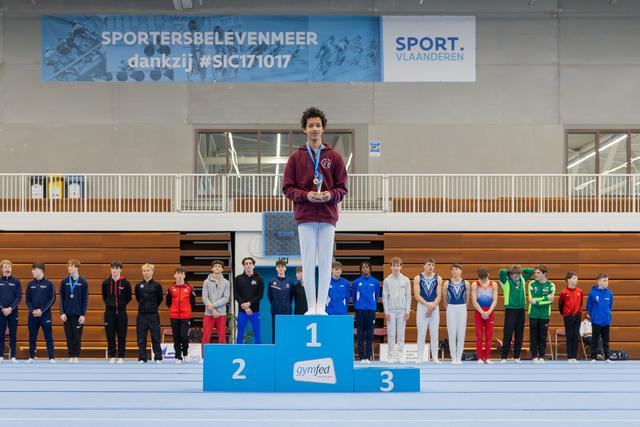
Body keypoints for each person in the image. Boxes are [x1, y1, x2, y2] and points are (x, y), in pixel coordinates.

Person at [282, 107, 348, 315]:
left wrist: (330, 195)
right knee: (309, 261)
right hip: (305, 216)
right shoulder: (295, 158)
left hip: (328, 215)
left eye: (318, 125)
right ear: (304, 129)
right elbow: (287, 188)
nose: (314, 129)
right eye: (310, 125)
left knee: (326, 261)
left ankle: (322, 305)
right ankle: (312, 306)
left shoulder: (334, 157)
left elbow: (343, 188)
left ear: (323, 128)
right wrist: (306, 195)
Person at [499, 265, 535, 363]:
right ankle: (504, 357)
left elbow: (531, 271)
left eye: (518, 274)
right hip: (510, 310)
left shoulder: (522, 279)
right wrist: (511, 271)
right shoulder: (506, 281)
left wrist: (520, 271)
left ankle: (516, 356)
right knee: (508, 334)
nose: (516, 276)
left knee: (519, 334)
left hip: (521, 310)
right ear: (510, 274)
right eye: (514, 274)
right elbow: (501, 271)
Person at [381, 257, 411, 364]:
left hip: (402, 310)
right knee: (391, 333)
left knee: (401, 334)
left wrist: (407, 311)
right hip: (391, 311)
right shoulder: (387, 280)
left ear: (401, 267)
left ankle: (400, 355)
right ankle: (390, 355)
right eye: (394, 266)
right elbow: (384, 297)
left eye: (397, 266)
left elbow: (408, 296)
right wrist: (386, 312)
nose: (396, 268)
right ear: (390, 267)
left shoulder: (406, 280)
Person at [102, 261, 132, 364]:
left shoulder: (126, 283)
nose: (114, 270)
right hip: (109, 313)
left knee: (122, 335)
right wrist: (111, 304)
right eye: (112, 268)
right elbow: (104, 297)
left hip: (122, 313)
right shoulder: (106, 282)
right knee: (110, 335)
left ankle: (121, 356)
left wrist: (121, 304)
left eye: (116, 268)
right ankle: (112, 356)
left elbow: (129, 297)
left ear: (120, 270)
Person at [414, 258, 442, 364]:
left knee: (434, 333)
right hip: (422, 306)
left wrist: (432, 305)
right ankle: (419, 357)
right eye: (429, 265)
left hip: (434, 306)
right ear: (424, 266)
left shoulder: (438, 278)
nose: (431, 267)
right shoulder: (418, 278)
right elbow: (416, 295)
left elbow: (439, 295)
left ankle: (435, 357)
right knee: (421, 333)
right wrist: (427, 305)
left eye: (433, 265)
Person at [26, 262, 56, 363]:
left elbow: (52, 299)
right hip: (32, 315)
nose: (32, 271)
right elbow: (27, 300)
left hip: (45, 315)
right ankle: (31, 357)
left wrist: (41, 310)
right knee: (32, 336)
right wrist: (32, 310)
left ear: (41, 270)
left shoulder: (49, 284)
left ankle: (51, 357)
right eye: (32, 269)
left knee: (48, 336)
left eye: (34, 269)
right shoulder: (30, 284)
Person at [59, 259, 89, 363]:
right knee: (69, 336)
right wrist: (62, 313)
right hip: (67, 314)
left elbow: (85, 300)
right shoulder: (64, 282)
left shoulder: (83, 282)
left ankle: (76, 355)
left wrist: (83, 314)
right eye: (68, 266)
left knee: (77, 336)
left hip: (78, 315)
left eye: (71, 266)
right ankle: (71, 355)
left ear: (77, 267)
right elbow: (61, 298)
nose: (69, 268)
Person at [135, 263, 164, 364]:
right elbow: (138, 298)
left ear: (152, 272)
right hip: (142, 315)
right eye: (144, 271)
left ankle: (158, 357)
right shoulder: (138, 285)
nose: (146, 273)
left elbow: (160, 298)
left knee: (156, 337)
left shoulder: (157, 285)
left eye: (148, 271)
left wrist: (153, 307)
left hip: (153, 315)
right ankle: (142, 358)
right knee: (141, 338)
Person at [166, 266, 196, 364]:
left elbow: (193, 302)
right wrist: (173, 309)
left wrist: (186, 310)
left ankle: (186, 354)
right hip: (174, 316)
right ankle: (178, 356)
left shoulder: (189, 288)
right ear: (174, 275)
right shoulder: (170, 288)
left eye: (181, 274)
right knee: (176, 337)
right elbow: (168, 303)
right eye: (178, 274)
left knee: (184, 336)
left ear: (184, 275)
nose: (179, 276)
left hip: (185, 316)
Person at [352, 262, 380, 363]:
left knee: (369, 334)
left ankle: (368, 356)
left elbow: (376, 296)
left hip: (371, 310)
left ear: (370, 269)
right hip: (360, 310)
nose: (365, 269)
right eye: (363, 267)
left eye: (367, 267)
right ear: (361, 270)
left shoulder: (376, 282)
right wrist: (358, 306)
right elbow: (354, 297)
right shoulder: (356, 282)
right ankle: (361, 356)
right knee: (360, 334)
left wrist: (371, 305)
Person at [527, 265, 556, 363]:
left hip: (544, 314)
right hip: (533, 314)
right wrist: (545, 298)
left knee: (542, 336)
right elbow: (530, 299)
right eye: (535, 273)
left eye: (538, 273)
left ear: (544, 274)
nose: (536, 274)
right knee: (533, 336)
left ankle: (542, 356)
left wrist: (537, 301)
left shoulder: (551, 285)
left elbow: (550, 301)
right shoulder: (531, 284)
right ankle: (534, 356)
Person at [471, 268, 498, 364]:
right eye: (481, 278)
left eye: (485, 278)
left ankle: (487, 358)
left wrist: (489, 312)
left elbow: (495, 300)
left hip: (490, 312)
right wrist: (482, 312)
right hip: (479, 311)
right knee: (479, 336)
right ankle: (479, 358)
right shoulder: (475, 284)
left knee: (488, 336)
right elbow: (474, 301)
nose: (483, 280)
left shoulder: (494, 284)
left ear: (488, 275)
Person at [202, 260, 230, 352]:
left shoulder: (226, 282)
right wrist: (212, 310)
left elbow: (226, 298)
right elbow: (204, 297)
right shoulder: (206, 282)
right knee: (206, 336)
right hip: (209, 313)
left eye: (219, 266)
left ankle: (223, 355)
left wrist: (213, 305)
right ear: (212, 269)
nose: (217, 267)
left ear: (222, 269)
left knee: (222, 336)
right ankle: (204, 357)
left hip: (221, 313)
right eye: (215, 266)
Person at [234, 257, 264, 344]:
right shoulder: (238, 279)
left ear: (253, 265)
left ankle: (259, 352)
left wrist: (249, 304)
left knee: (257, 333)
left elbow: (260, 296)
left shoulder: (259, 279)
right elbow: (236, 295)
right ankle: (238, 352)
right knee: (240, 333)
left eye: (250, 263)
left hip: (255, 312)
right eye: (246, 264)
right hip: (242, 312)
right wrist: (245, 306)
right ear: (243, 266)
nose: (248, 265)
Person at [444, 264, 469, 365]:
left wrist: (463, 308)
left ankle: (459, 357)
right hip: (451, 307)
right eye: (453, 269)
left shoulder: (466, 283)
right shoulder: (446, 284)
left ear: (461, 271)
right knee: (452, 333)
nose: (454, 271)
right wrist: (449, 308)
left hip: (462, 307)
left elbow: (467, 299)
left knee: (461, 333)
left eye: (456, 269)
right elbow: (445, 300)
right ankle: (453, 357)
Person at [586, 273, 614, 363]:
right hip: (596, 321)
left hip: (606, 321)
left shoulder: (610, 294)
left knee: (606, 340)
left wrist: (607, 316)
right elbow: (588, 306)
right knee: (595, 339)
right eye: (604, 280)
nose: (606, 282)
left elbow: (609, 306)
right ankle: (593, 357)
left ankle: (607, 357)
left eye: (607, 280)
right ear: (598, 281)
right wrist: (593, 316)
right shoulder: (592, 294)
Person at [558, 272, 584, 363]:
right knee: (569, 336)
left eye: (577, 278)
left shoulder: (580, 291)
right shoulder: (564, 292)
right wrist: (565, 314)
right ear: (568, 280)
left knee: (576, 336)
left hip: (577, 316)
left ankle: (574, 357)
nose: (576, 280)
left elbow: (581, 303)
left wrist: (578, 313)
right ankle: (569, 357)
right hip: (568, 317)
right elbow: (560, 305)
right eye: (574, 278)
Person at [267, 259, 294, 343]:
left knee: (287, 332)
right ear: (276, 268)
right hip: (275, 311)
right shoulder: (272, 281)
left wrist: (286, 305)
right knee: (275, 332)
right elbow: (269, 296)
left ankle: (286, 348)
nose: (281, 268)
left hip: (287, 311)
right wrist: (276, 304)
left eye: (282, 267)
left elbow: (291, 297)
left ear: (285, 268)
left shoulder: (290, 282)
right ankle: (275, 350)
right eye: (279, 267)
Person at [0, 260, 21, 363]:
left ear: (11, 269)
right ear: (2, 269)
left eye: (9, 266)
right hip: (1, 312)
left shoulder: (16, 281)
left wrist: (10, 308)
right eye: (5, 266)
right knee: (1, 334)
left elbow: (19, 297)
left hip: (13, 312)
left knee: (13, 334)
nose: (8, 268)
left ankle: (13, 356)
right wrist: (3, 309)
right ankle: (0, 356)